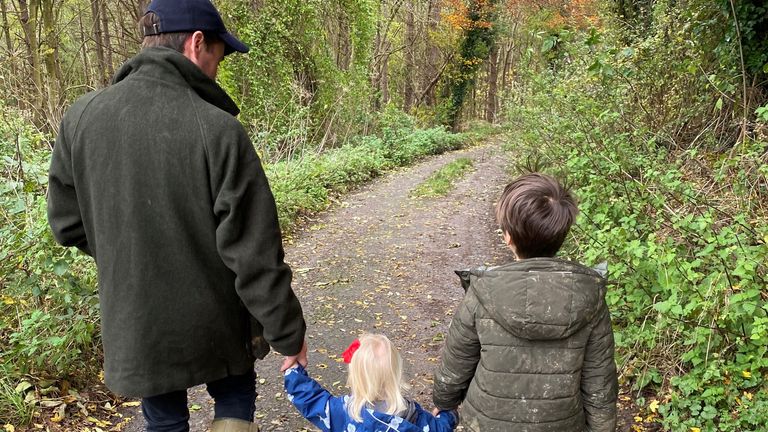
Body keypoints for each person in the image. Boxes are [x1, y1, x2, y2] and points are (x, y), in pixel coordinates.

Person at [46, 1, 307, 431]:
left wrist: (130, 247)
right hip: (219, 318)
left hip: (140, 320)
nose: (215, 72)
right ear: (197, 42)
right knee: (235, 396)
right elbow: (255, 252)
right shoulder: (218, 129)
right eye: (217, 59)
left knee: (163, 419)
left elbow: (67, 223)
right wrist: (288, 334)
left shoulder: (81, 118)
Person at [432, 173, 618, 432]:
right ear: (561, 234)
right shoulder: (589, 297)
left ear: (508, 237)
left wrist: (444, 401)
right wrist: (603, 427)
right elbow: (599, 379)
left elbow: (457, 360)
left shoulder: (483, 291)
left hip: (485, 423)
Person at [284, 333, 458, 432]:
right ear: (396, 374)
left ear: (354, 376)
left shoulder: (343, 412)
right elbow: (441, 428)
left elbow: (310, 399)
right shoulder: (414, 417)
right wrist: (449, 413)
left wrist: (293, 372)